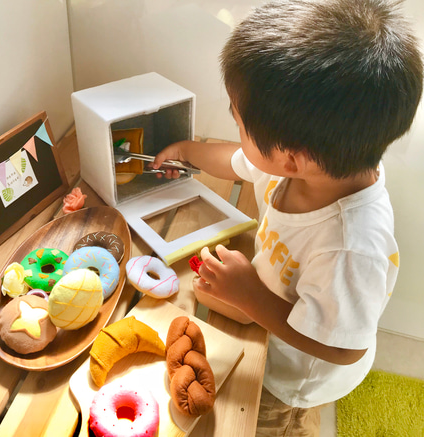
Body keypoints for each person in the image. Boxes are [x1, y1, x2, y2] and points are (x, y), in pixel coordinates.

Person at [152, 0, 423, 435]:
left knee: (268, 424)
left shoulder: (352, 246)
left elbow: (341, 348)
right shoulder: (306, 163)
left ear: (290, 158)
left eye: (239, 122)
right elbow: (235, 160)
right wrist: (187, 152)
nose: (236, 131)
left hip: (297, 374)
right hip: (271, 314)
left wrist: (251, 297)